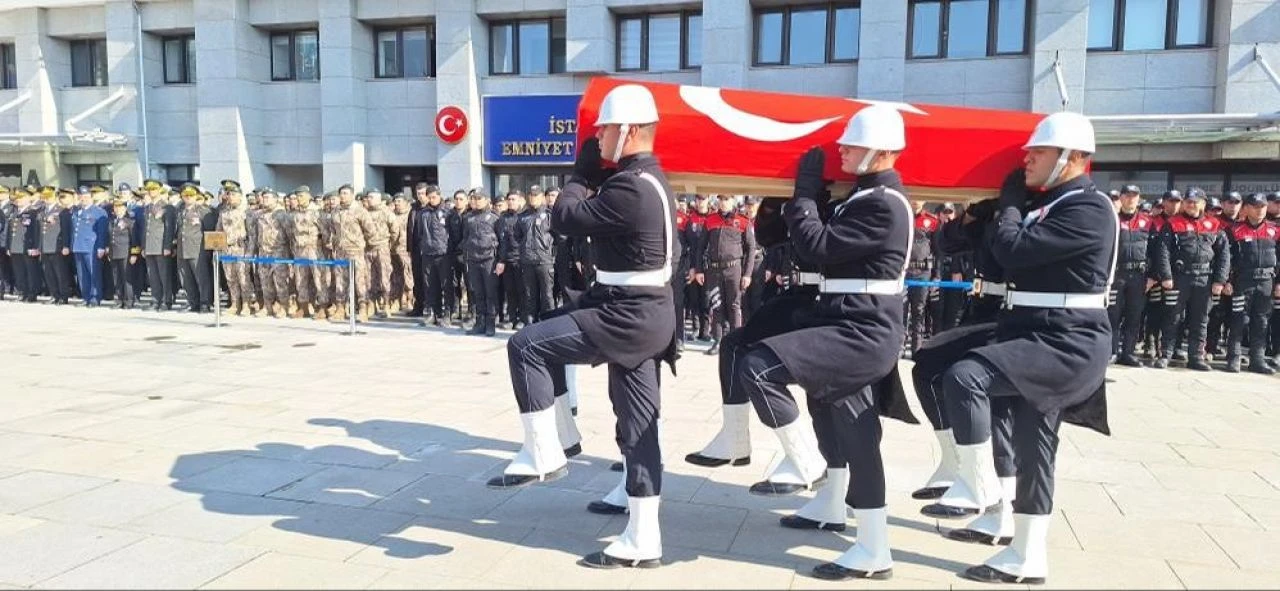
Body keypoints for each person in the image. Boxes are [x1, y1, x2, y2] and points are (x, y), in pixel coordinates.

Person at [488, 84, 678, 570]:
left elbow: (565, 218)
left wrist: (578, 175)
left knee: (527, 346)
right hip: (641, 311)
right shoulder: (652, 179)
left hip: (628, 314)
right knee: (637, 421)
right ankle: (642, 532)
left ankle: (545, 451)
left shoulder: (631, 186)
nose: (597, 135)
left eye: (605, 128)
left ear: (630, 130)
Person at [939, 112, 1116, 585]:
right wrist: (980, 215)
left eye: (1039, 151)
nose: (1026, 158)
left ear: (1074, 158)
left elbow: (1015, 251)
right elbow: (956, 243)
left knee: (965, 376)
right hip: (1029, 329)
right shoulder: (1046, 204)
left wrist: (1010, 209)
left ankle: (978, 489)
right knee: (1032, 445)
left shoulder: (1088, 207)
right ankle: (1024, 551)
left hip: (1067, 339)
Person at [1152, 187, 1230, 370]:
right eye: (1188, 201)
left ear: (1203, 203)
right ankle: (1166, 355)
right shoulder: (1172, 223)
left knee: (1201, 320)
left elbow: (1224, 255)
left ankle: (1196, 357)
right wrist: (1166, 276)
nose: (1191, 204)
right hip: (1179, 279)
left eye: (1195, 201)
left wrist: (1220, 280)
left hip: (1205, 280)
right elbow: (1163, 252)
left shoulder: (1215, 225)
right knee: (1172, 318)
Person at [693, 194, 756, 355]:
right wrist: (699, 270)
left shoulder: (742, 221)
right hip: (714, 270)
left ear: (733, 201)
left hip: (733, 269)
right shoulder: (710, 220)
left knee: (735, 306)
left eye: (726, 199)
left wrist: (747, 274)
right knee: (716, 305)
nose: (723, 202)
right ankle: (718, 341)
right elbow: (700, 247)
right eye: (720, 199)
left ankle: (736, 342)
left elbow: (750, 249)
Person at [1224, 192, 1278, 374]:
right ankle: (1234, 359)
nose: (1260, 210)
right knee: (1239, 320)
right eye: (1255, 206)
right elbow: (1227, 258)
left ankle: (1257, 360)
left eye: (1262, 206)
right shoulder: (1234, 230)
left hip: (1267, 282)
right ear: (1246, 208)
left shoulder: (1275, 230)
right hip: (1243, 281)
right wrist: (1227, 280)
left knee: (1261, 321)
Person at [1109, 185, 1154, 366]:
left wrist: (1153, 276)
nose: (1130, 199)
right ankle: (1111, 352)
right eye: (1127, 196)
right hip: (1116, 275)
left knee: (1134, 316)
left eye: (1134, 196)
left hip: (1139, 276)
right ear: (1121, 198)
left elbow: (1155, 251)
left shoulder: (1147, 222)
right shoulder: (1112, 220)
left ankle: (1128, 353)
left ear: (1139, 199)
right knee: (1112, 315)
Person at [461, 190, 501, 336]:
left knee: (490, 293)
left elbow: (501, 241)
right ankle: (480, 323)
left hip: (489, 259)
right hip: (473, 259)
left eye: (479, 198)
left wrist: (500, 261)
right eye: (474, 198)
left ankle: (490, 324)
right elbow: (465, 238)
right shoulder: (467, 218)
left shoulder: (494, 218)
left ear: (486, 200)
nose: (476, 201)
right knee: (478, 293)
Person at [515, 187, 556, 325]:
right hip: (527, 261)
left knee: (547, 295)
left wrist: (550, 253)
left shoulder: (550, 215)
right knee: (529, 295)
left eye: (536, 195)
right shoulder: (522, 216)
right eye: (531, 195)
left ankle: (548, 325)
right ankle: (530, 324)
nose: (533, 198)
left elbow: (558, 237)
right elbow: (517, 236)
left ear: (542, 197)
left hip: (544, 261)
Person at [414, 185, 454, 327]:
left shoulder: (448, 212)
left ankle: (448, 313)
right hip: (428, 253)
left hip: (444, 254)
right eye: (429, 197)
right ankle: (433, 312)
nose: (431, 199)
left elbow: (453, 233)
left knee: (446, 285)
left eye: (434, 197)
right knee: (430, 285)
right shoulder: (423, 213)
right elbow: (420, 233)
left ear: (439, 195)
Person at [905, 201, 941, 355]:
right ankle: (896, 353)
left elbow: (939, 250)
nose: (916, 201)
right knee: (899, 313)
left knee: (918, 313)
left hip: (922, 273)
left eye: (920, 198)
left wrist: (937, 275)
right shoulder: (902, 215)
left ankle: (916, 353)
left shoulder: (932, 221)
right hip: (903, 271)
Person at [141, 179, 178, 310]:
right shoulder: (147, 207)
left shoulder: (167, 207)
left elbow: (169, 228)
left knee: (164, 276)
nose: (151, 192)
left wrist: (168, 246)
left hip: (161, 245)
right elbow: (145, 228)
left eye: (154, 189)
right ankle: (155, 299)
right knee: (153, 276)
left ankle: (166, 300)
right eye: (149, 189)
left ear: (159, 190)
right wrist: (143, 247)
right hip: (150, 245)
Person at [71, 185, 109, 307]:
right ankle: (86, 296)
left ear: (91, 198)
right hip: (78, 246)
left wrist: (101, 247)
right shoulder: (76, 211)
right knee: (82, 275)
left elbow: (102, 231)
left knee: (94, 273)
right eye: (82, 197)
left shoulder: (98, 212)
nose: (84, 199)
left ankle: (95, 297)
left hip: (91, 247)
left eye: (86, 197)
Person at [496, 191, 525, 328]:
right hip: (507, 259)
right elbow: (502, 241)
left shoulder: (524, 216)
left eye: (514, 199)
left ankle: (522, 318)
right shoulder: (503, 218)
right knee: (510, 290)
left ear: (520, 200)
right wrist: (501, 261)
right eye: (509, 199)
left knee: (522, 290)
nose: (511, 202)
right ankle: (512, 317)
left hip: (521, 259)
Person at [39, 187, 73, 305]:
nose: (46, 199)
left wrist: (66, 245)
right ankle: (54, 294)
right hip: (45, 246)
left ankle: (63, 296)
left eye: (48, 196)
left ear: (54, 197)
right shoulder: (43, 210)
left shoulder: (61, 210)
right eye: (44, 197)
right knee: (49, 273)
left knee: (60, 273)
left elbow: (65, 229)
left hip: (57, 246)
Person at [107, 199, 140, 308]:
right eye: (115, 207)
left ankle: (129, 300)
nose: (117, 209)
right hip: (114, 252)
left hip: (126, 253)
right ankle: (120, 299)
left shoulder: (130, 222)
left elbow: (135, 239)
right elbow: (110, 237)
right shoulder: (112, 221)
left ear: (125, 208)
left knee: (126, 278)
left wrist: (134, 254)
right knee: (117, 278)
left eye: (120, 207)